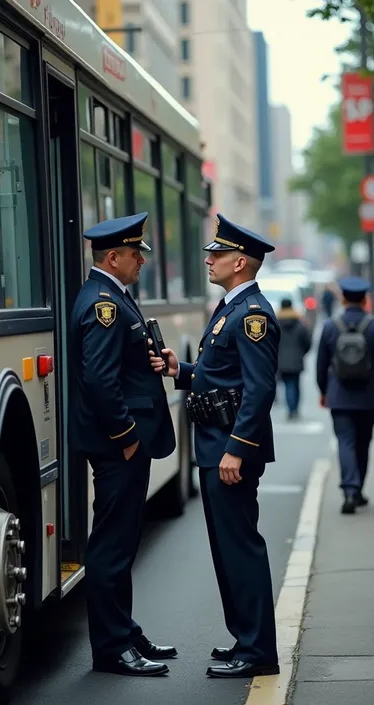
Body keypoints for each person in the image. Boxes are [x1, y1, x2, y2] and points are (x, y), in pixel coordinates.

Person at [149, 213, 280, 679]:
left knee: (240, 547)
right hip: (215, 445)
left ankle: (258, 651)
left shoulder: (252, 316)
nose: (210, 259)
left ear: (240, 262)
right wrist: (179, 370)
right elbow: (221, 375)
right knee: (226, 549)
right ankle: (246, 639)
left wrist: (237, 449)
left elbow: (260, 388)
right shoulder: (230, 308)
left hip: (229, 450)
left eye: (218, 254)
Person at [69, 212, 177, 677]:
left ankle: (125, 632)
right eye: (136, 254)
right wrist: (127, 437)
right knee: (112, 545)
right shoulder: (103, 303)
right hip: (119, 445)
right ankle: (112, 647)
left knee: (123, 540)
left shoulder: (114, 295)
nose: (142, 262)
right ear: (113, 258)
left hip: (126, 442)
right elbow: (99, 379)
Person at [316, 276, 374, 514]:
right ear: (364, 300)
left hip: (339, 396)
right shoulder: (372, 326)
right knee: (363, 443)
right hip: (369, 397)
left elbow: (321, 365)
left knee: (346, 442)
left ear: (342, 298)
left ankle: (349, 490)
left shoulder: (330, 326)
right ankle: (358, 489)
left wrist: (323, 391)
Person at [276, 297, 312, 420]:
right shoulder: (300, 324)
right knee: (295, 385)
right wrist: (302, 353)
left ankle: (291, 409)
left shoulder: (276, 323)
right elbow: (307, 342)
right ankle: (295, 409)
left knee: (287, 386)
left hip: (281, 360)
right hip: (296, 360)